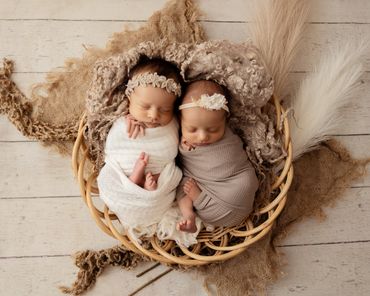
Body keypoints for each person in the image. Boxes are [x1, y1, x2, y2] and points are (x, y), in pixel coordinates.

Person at [97, 58, 200, 246]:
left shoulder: (175, 123)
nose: (154, 115)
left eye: (165, 109)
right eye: (145, 107)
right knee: (107, 178)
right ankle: (134, 181)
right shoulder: (125, 121)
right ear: (129, 100)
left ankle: (145, 187)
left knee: (171, 176)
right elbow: (113, 146)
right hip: (123, 171)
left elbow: (179, 147)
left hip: (158, 175)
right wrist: (126, 118)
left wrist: (186, 143)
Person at [176, 80, 259, 233]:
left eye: (213, 130)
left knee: (246, 181)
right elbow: (182, 163)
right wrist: (185, 151)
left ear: (225, 121)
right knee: (182, 188)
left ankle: (200, 199)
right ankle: (189, 215)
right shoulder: (179, 135)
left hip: (233, 186)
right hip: (201, 184)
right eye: (192, 129)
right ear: (181, 121)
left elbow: (235, 154)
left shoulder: (229, 138)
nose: (202, 137)